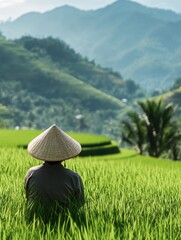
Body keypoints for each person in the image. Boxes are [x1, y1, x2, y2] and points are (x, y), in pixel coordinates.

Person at [24, 124, 85, 223]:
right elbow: (79, 203)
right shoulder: (73, 177)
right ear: (64, 156)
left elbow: (28, 197)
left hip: (35, 222)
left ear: (42, 153)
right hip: (65, 224)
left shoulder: (31, 173)